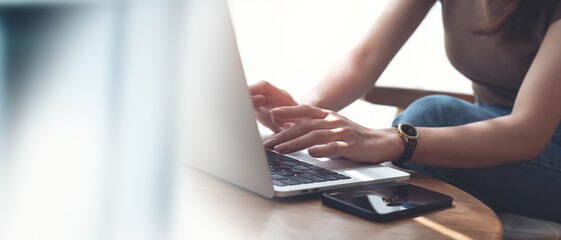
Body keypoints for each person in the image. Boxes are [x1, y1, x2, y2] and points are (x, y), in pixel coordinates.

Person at [249, 0, 561, 223]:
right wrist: (298, 116)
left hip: (547, 150)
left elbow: (528, 132)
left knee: (432, 117)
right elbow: (365, 59)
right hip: (494, 128)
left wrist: (397, 139)